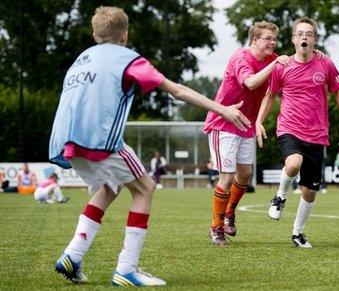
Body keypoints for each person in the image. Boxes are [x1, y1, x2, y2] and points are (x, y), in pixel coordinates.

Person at [49, 6, 250, 287]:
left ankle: (72, 254)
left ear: (95, 34)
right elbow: (177, 90)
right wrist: (223, 110)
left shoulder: (82, 59)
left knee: (110, 188)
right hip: (100, 140)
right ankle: (126, 269)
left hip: (66, 140)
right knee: (145, 187)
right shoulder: (127, 59)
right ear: (125, 35)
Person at [256, 17, 339, 248]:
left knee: (310, 191)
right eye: (300, 33)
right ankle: (280, 196)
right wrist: (259, 121)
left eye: (309, 34)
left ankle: (298, 233)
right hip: (290, 128)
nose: (304, 37)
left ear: (315, 40)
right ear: (293, 39)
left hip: (318, 133)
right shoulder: (282, 66)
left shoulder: (325, 64)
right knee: (293, 163)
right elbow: (270, 95)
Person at [203, 20, 292, 246]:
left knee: (245, 174)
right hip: (223, 123)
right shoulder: (240, 57)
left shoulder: (272, 59)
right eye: (267, 39)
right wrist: (274, 65)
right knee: (227, 177)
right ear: (254, 40)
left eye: (274, 39)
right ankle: (216, 227)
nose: (273, 42)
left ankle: (229, 214)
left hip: (245, 125)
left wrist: (315, 54)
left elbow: (295, 64)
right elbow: (250, 83)